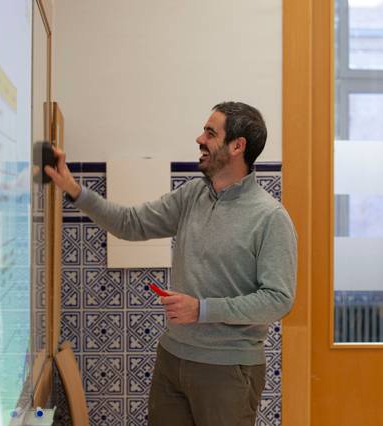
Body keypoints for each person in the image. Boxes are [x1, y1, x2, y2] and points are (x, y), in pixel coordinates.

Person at [44, 101, 297, 425]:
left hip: (228, 371)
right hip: (172, 360)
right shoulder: (192, 195)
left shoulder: (270, 218)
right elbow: (130, 223)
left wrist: (202, 310)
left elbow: (278, 299)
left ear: (237, 146)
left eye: (210, 132)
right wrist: (74, 190)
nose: (199, 139)